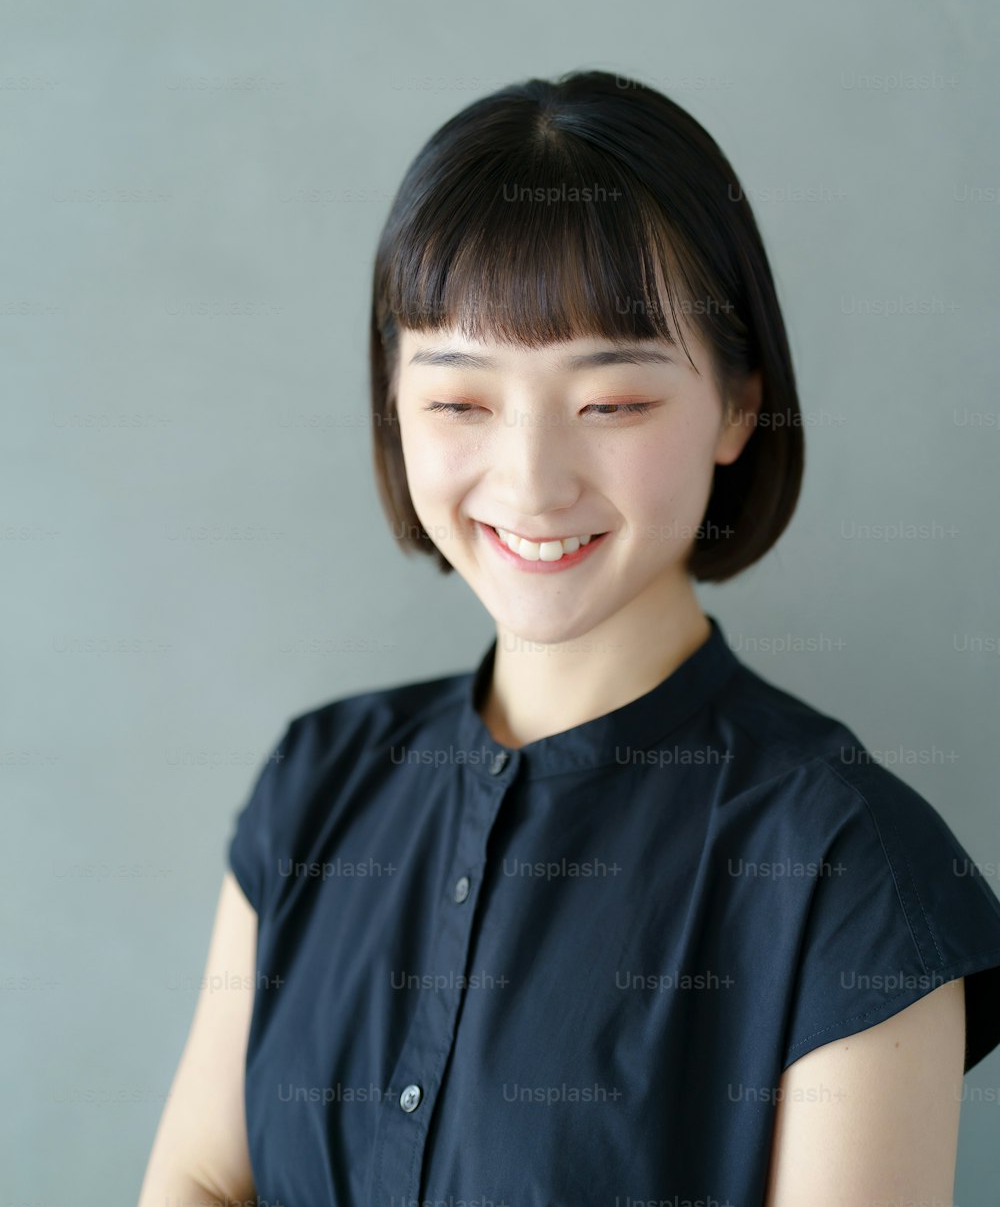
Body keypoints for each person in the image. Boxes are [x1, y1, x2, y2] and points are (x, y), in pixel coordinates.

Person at [137, 70, 1000, 1207]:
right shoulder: (314, 783)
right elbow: (202, 1178)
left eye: (613, 404)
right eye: (459, 402)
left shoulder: (852, 875)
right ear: (394, 405)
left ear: (740, 404)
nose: (532, 483)